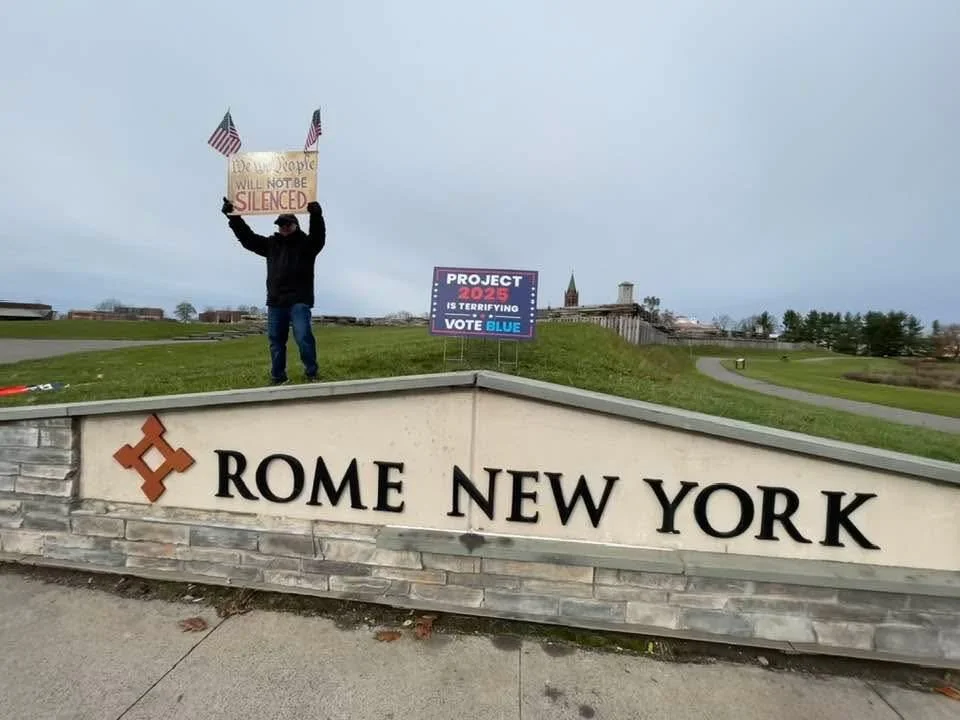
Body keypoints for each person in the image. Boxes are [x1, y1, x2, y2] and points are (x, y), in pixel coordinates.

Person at [220, 196, 326, 384]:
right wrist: (233, 217)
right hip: (276, 302)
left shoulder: (307, 245)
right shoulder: (271, 245)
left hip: (299, 301)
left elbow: (318, 236)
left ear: (295, 225)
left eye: (287, 224)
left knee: (303, 337)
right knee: (276, 342)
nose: (284, 227)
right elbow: (248, 239)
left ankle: (312, 373)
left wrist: (316, 215)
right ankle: (278, 377)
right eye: (280, 224)